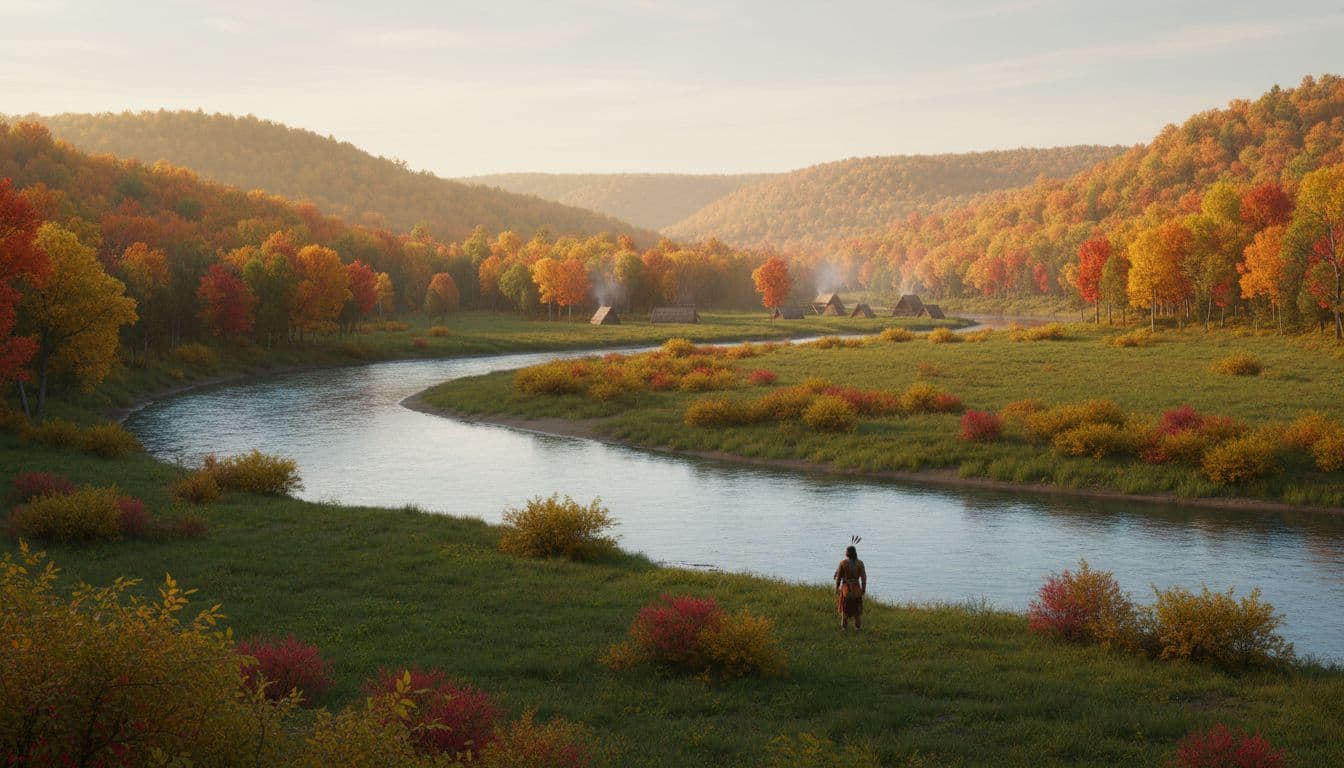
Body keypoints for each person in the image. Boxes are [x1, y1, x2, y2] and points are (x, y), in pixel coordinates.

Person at [833, 544, 867, 631]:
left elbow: (838, 578)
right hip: (856, 590)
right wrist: (863, 589)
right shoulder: (860, 563)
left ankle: (844, 628)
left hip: (846, 590)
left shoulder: (843, 563)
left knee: (844, 609)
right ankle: (858, 628)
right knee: (857, 610)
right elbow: (864, 578)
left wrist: (836, 588)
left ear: (847, 553)